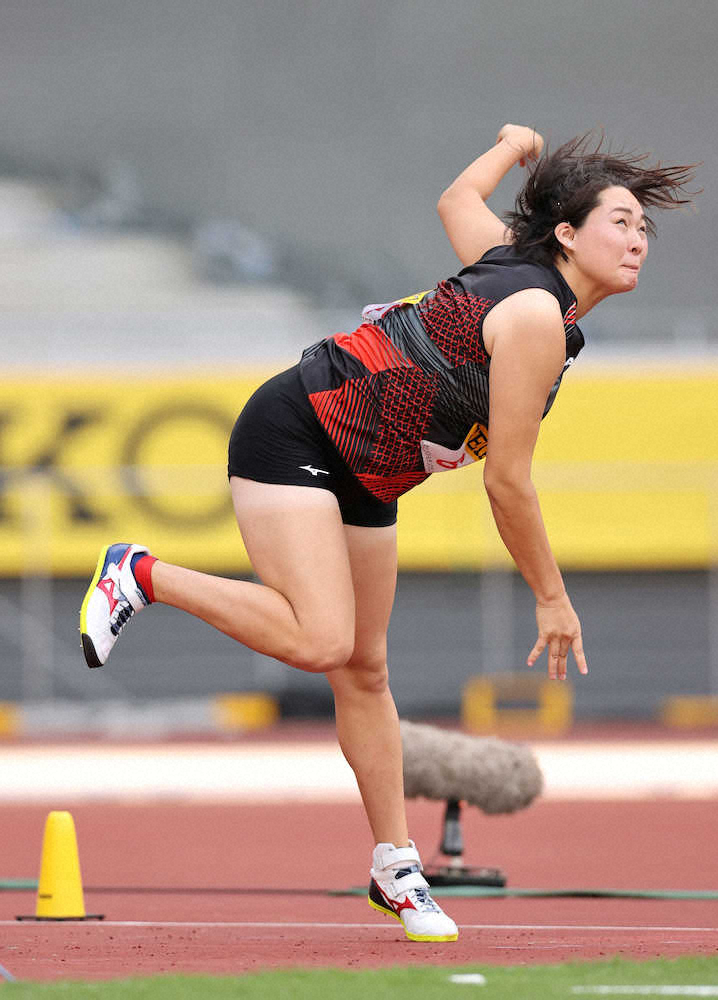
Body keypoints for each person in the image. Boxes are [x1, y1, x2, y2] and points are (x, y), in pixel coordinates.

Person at [80, 123, 696, 943]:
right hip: (298, 430)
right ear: (567, 235)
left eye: (644, 227)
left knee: (365, 670)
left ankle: (394, 867)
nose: (638, 240)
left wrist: (510, 150)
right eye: (621, 221)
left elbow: (456, 199)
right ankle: (141, 572)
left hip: (371, 474)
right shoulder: (536, 318)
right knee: (322, 641)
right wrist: (552, 597)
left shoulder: (511, 257)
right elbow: (507, 482)